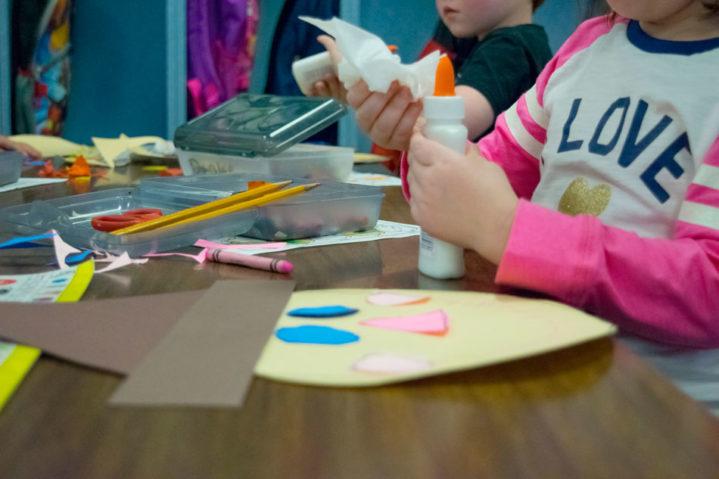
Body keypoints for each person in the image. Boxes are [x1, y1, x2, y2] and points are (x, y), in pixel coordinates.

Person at [404, 0, 719, 411]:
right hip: (540, 367)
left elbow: (708, 288)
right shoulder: (587, 45)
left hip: (662, 408)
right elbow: (483, 174)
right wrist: (432, 156)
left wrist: (506, 231)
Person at [309, 0, 552, 173]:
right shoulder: (470, 44)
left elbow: (444, 120)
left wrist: (359, 71)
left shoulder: (511, 49)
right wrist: (361, 90)